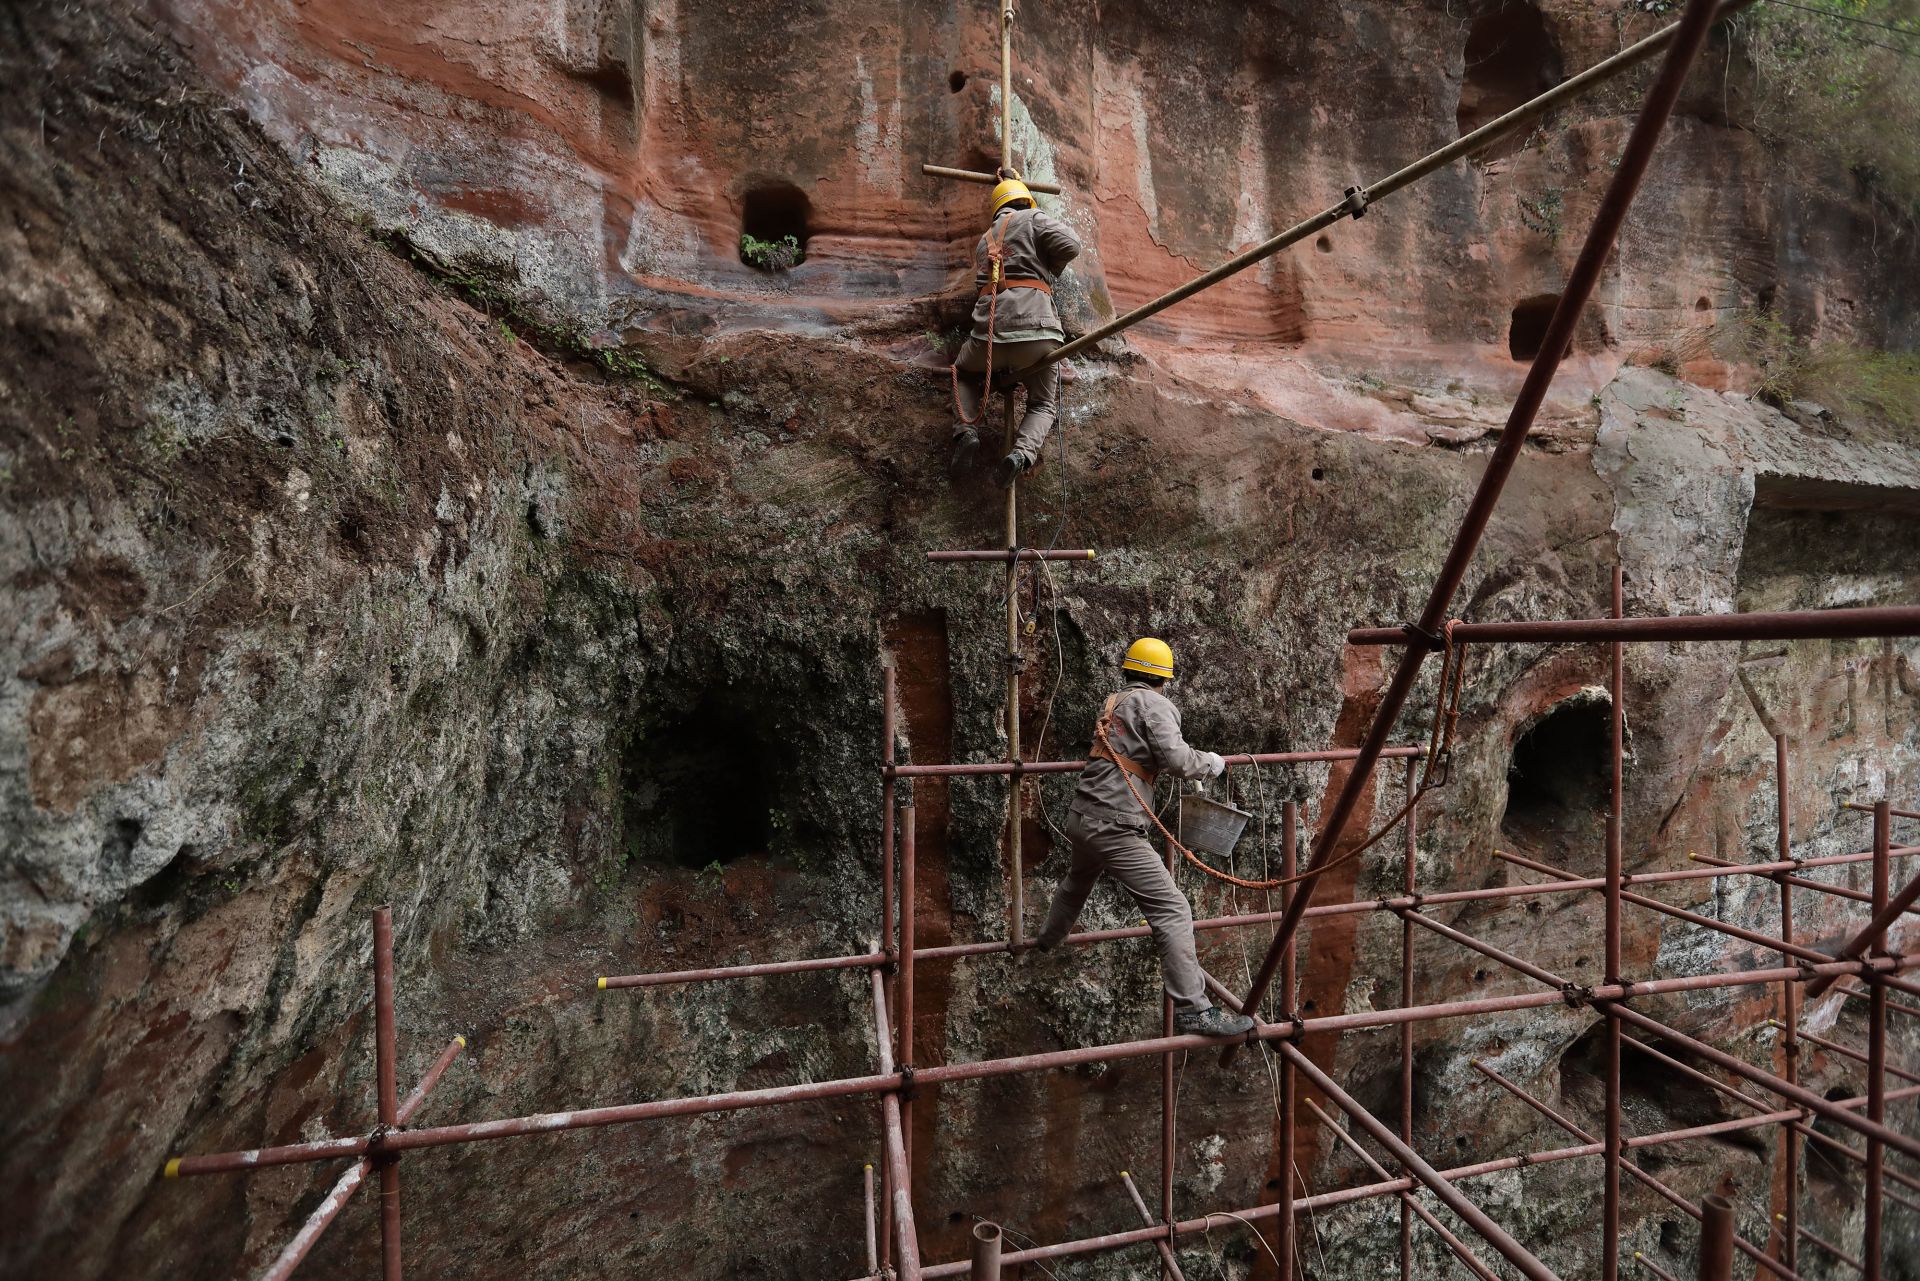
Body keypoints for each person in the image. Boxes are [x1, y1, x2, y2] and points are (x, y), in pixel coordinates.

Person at [1032, 638, 1258, 1039]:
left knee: (1077, 882)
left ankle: (1046, 940)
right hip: (1114, 824)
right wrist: (1214, 764)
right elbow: (1177, 760)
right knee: (1172, 909)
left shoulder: (1114, 702)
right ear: (1163, 678)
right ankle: (1194, 1009)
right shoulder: (1155, 705)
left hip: (1083, 817)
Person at [950, 173, 1081, 486]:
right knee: (1043, 403)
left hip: (989, 338)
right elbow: (1072, 245)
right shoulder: (1033, 218)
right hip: (1038, 334)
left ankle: (966, 431)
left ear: (997, 210)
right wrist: (1050, 266)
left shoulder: (985, 241)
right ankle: (1021, 454)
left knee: (963, 373)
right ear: (1025, 201)